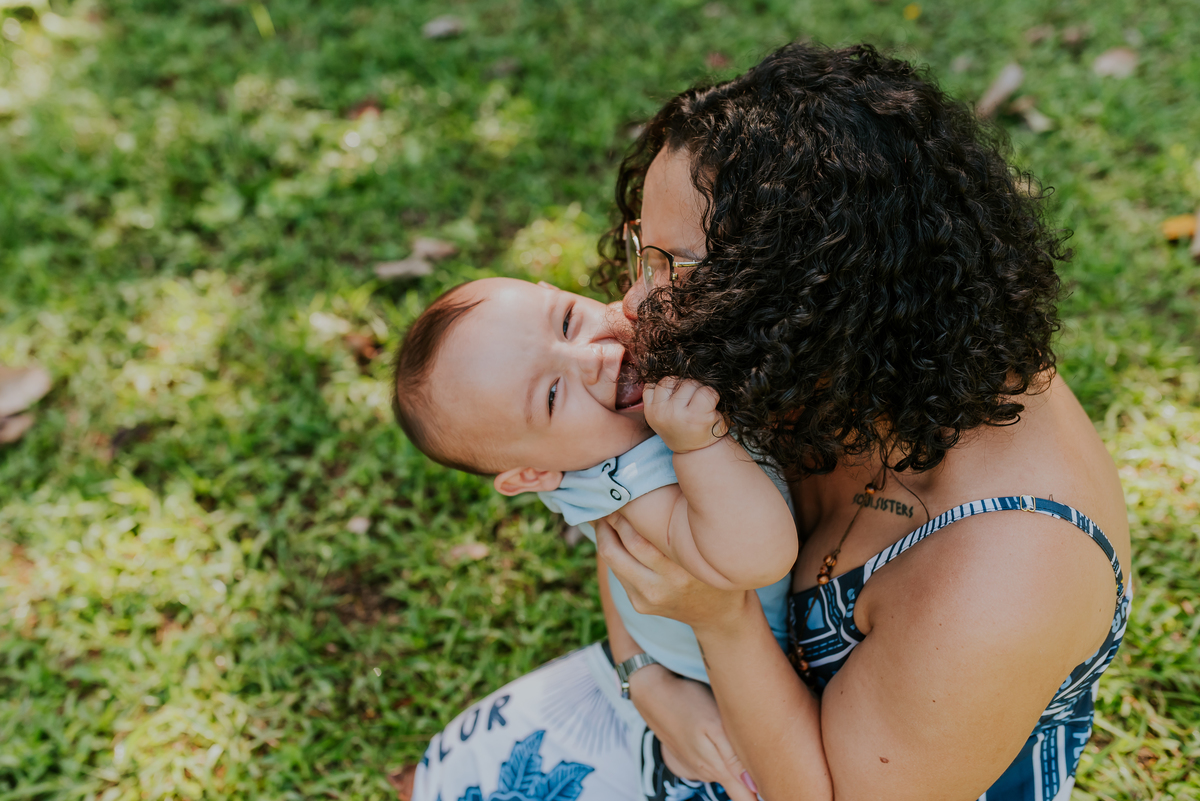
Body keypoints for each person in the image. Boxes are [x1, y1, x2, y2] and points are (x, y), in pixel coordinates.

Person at [400, 41, 1131, 801]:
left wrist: (717, 617)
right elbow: (609, 475)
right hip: (702, 711)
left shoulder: (1004, 575)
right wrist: (646, 677)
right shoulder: (804, 355)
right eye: (639, 256)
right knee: (454, 773)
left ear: (811, 287)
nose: (631, 308)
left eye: (672, 271)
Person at [392, 277, 798, 800]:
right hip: (723, 701)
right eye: (553, 395)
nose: (591, 356)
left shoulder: (595, 439)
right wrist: (699, 445)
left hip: (649, 665)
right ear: (533, 474)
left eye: (566, 320)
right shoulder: (627, 483)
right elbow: (759, 557)